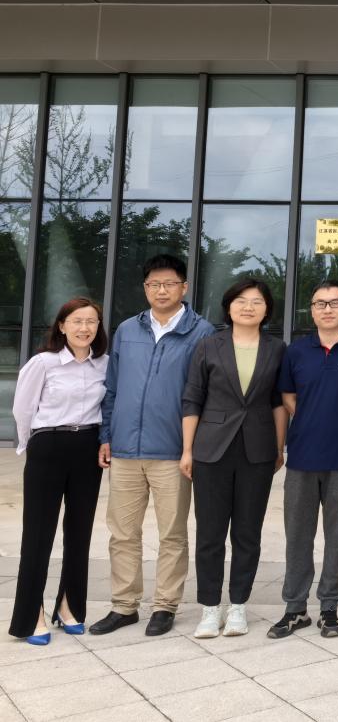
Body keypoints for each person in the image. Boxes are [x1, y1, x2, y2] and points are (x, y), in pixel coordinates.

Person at [91, 254, 215, 638]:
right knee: (122, 533)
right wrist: (106, 435)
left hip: (172, 452)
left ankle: (165, 605)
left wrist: (192, 448)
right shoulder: (128, 329)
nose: (161, 290)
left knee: (172, 534)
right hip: (125, 450)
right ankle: (124, 605)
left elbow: (207, 395)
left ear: (184, 287)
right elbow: (111, 388)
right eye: (153, 284)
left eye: (169, 283)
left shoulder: (202, 332)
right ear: (145, 288)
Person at [268, 279, 338, 640]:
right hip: (302, 456)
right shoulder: (297, 351)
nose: (327, 309)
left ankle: (329, 607)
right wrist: (311, 419)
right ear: (311, 310)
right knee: (298, 535)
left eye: (335, 302)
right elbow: (287, 396)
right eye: (320, 304)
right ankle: (295, 608)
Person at [181, 278, 288, 639]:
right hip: (211, 450)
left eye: (256, 301)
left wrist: (279, 447)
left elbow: (277, 402)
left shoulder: (277, 348)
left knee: (247, 533)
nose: (248, 307)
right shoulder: (208, 345)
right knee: (210, 533)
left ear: (266, 309)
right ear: (228, 307)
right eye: (241, 301)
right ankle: (210, 608)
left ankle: (238, 605)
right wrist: (187, 449)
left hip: (257, 450)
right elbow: (192, 398)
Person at [8, 298, 108, 645]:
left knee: (80, 533)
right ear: (62, 326)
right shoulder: (43, 363)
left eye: (91, 321)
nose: (84, 328)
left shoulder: (105, 364)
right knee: (38, 535)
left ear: (98, 327)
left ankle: (69, 606)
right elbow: (23, 409)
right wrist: (30, 445)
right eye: (77, 321)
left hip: (88, 449)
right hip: (48, 446)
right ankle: (30, 615)